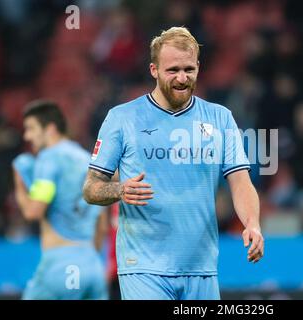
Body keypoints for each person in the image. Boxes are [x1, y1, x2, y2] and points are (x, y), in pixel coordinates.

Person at [82, 27, 264, 300]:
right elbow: (91, 188)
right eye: (173, 70)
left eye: (189, 69)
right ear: (154, 70)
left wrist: (252, 223)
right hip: (143, 268)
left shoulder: (220, 118)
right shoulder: (122, 118)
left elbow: (240, 182)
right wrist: (119, 190)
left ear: (199, 67)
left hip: (202, 268)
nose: (182, 78)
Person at [12, 101, 108, 300]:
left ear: (50, 129)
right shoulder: (89, 160)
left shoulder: (48, 160)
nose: (27, 136)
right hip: (93, 264)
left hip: (62, 265)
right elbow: (102, 225)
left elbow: (33, 211)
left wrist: (19, 183)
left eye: (31, 128)